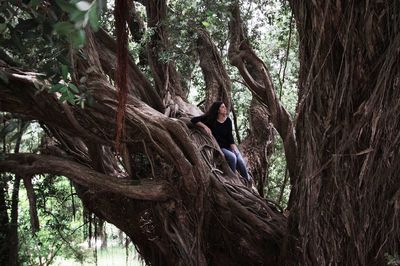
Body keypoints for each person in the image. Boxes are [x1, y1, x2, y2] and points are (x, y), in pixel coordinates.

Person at [191, 101, 251, 183]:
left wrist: (235, 149)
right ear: (218, 110)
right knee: (232, 157)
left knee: (240, 160)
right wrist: (204, 126)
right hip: (219, 147)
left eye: (225, 106)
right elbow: (193, 120)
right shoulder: (211, 119)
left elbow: (230, 137)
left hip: (229, 146)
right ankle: (233, 178)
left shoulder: (228, 121)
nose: (225, 108)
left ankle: (247, 180)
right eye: (222, 107)